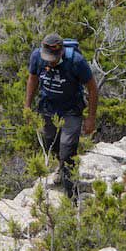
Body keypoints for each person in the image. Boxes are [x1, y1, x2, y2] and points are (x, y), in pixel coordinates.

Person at [24, 33, 98, 198]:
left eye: (54, 58)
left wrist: (91, 117)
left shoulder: (76, 62)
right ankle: (61, 165)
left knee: (68, 150)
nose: (50, 61)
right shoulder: (37, 57)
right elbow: (33, 80)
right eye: (48, 58)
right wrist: (27, 106)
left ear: (61, 51)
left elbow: (92, 88)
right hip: (48, 109)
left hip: (71, 111)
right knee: (51, 143)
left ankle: (71, 195)